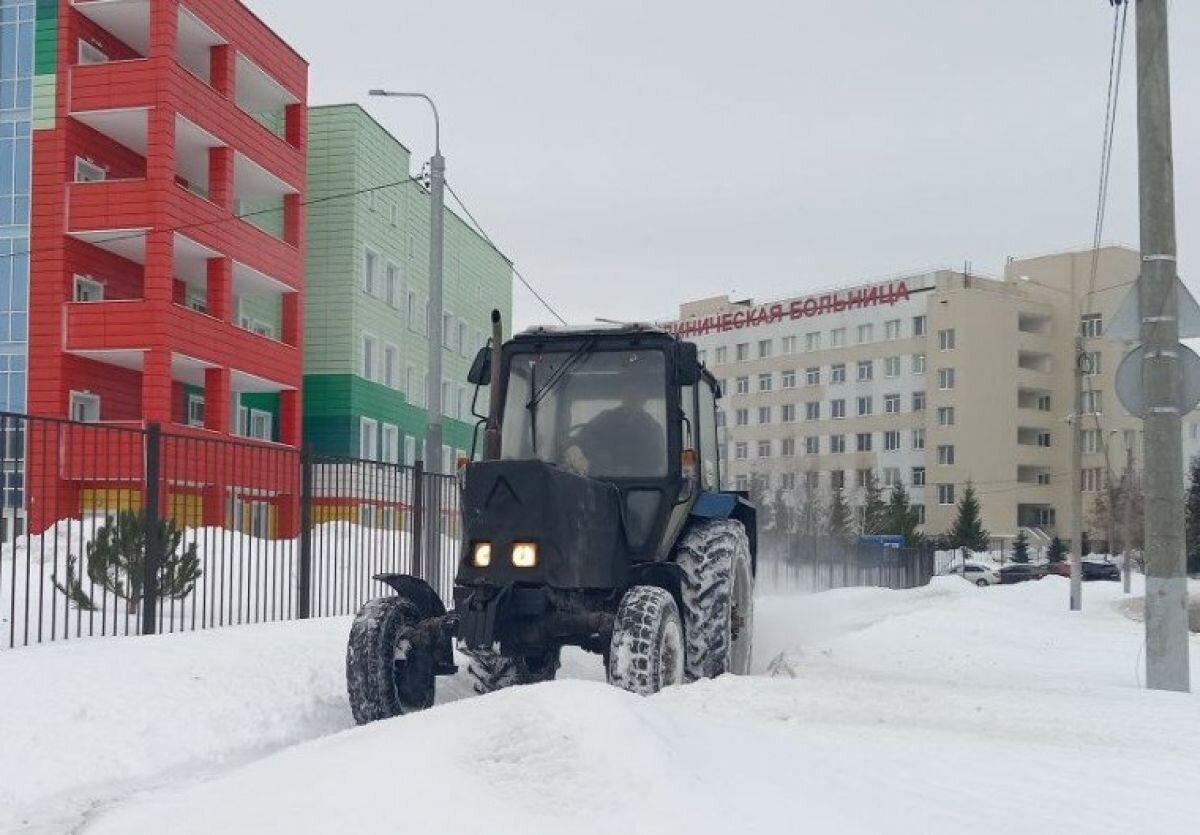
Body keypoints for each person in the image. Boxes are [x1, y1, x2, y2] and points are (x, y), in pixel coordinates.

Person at [562, 383, 665, 478]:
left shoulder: (652, 427)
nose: (633, 398)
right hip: (602, 480)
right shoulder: (604, 419)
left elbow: (656, 461)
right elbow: (582, 441)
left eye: (637, 395)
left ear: (644, 399)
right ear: (623, 397)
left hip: (641, 484)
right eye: (629, 394)